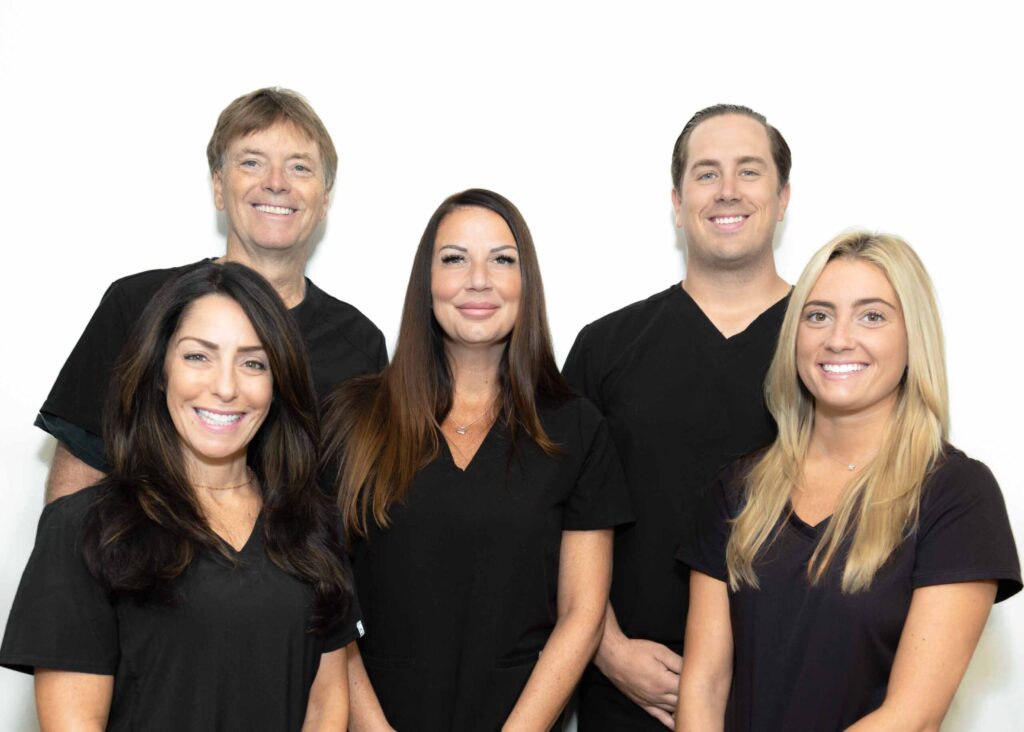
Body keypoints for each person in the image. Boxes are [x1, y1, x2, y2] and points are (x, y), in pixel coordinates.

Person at [675, 232, 1021, 731]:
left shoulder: (957, 496)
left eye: (872, 315)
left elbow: (913, 717)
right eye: (817, 315)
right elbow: (704, 687)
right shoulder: (738, 490)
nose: (838, 338)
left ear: (912, 338)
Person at [1, 262, 361, 731]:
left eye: (253, 362)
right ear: (159, 371)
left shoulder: (312, 526)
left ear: (277, 386)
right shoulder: (83, 528)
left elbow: (325, 707)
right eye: (198, 356)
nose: (226, 386)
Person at [321, 189, 632, 730]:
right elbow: (327, 598)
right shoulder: (354, 417)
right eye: (455, 258)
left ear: (525, 284)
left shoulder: (575, 427)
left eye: (502, 260)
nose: (479, 279)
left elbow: (582, 614)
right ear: (427, 282)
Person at [38, 87, 387, 502]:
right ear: (219, 187)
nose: (276, 183)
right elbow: (72, 495)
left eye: (300, 167)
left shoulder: (360, 345)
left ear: (325, 198)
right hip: (145, 566)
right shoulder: (135, 306)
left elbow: (360, 509)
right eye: (252, 162)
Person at [562, 104, 792, 729]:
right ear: (677, 197)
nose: (727, 191)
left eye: (749, 171)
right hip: (633, 694)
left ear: (783, 197)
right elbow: (550, 516)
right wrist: (607, 650)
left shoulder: (830, 351)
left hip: (793, 690)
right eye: (706, 173)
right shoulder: (605, 348)